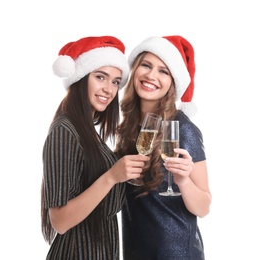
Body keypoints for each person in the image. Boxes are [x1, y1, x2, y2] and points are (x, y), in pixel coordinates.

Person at [40, 35, 149, 260]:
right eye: (101, 77)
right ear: (81, 77)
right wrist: (111, 176)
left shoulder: (88, 132)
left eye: (116, 81)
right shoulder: (64, 131)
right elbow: (60, 221)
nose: (109, 89)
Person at [115, 35, 212, 259]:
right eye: (146, 65)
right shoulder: (129, 125)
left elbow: (204, 207)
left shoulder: (182, 129)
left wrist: (184, 181)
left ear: (173, 82)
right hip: (136, 249)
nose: (151, 75)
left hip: (174, 252)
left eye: (163, 71)